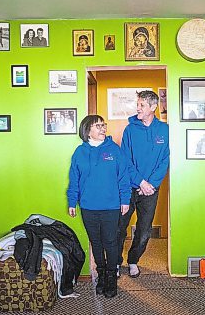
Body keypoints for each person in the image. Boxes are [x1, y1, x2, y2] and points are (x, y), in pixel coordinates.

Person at [67, 115, 131, 298]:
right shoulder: (79, 152)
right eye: (98, 126)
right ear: (87, 131)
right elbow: (74, 180)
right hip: (88, 207)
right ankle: (101, 274)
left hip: (111, 206)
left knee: (110, 242)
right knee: (96, 243)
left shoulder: (114, 150)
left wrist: (125, 199)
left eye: (104, 125)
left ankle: (111, 277)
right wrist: (73, 201)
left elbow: (123, 177)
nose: (103, 128)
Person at [117, 90, 170, 278]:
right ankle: (116, 262)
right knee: (119, 227)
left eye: (141, 105)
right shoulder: (130, 130)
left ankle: (133, 261)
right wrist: (140, 181)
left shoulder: (165, 130)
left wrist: (150, 184)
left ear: (153, 107)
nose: (137, 108)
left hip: (151, 190)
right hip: (127, 188)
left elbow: (165, 160)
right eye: (137, 104)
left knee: (144, 230)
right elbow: (125, 160)